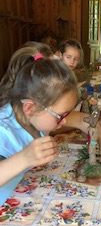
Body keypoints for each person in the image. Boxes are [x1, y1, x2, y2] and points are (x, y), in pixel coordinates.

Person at [0, 56, 78, 206]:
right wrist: (25, 158)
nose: (65, 121)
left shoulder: (32, 117)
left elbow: (80, 119)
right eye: (60, 116)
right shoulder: (3, 130)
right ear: (30, 108)